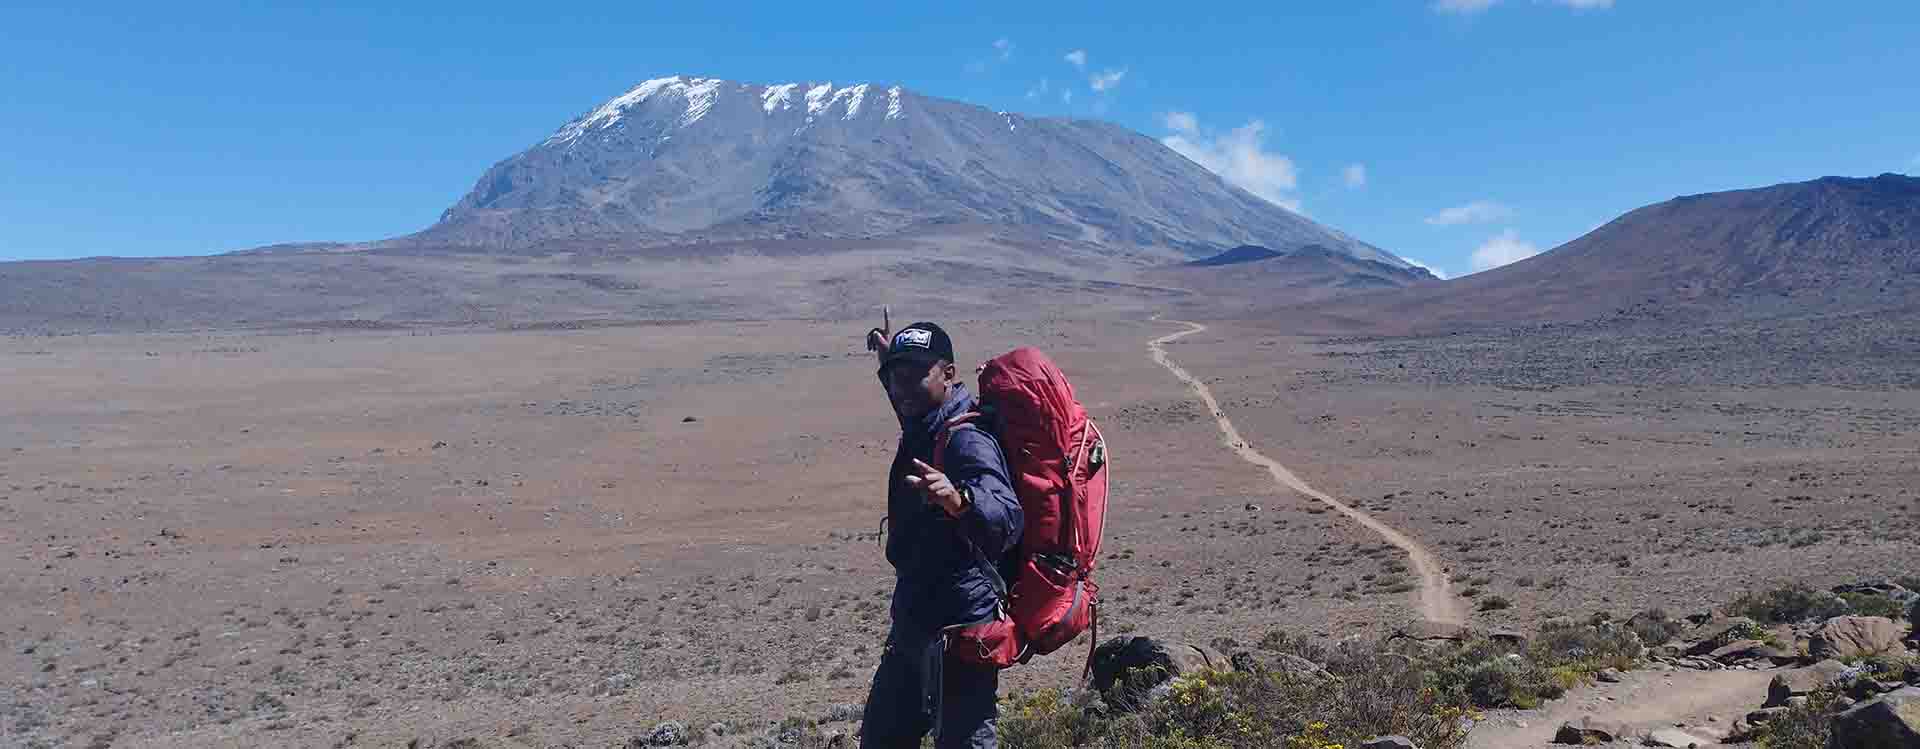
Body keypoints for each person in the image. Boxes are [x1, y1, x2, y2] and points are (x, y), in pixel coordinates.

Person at [859, 319, 1023, 749]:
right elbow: (907, 403)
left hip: (961, 632)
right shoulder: (926, 420)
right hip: (915, 622)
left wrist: (960, 499)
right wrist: (888, 361)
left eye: (917, 375)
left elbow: (1007, 517)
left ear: (949, 374)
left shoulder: (965, 440)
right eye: (897, 377)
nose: (903, 387)